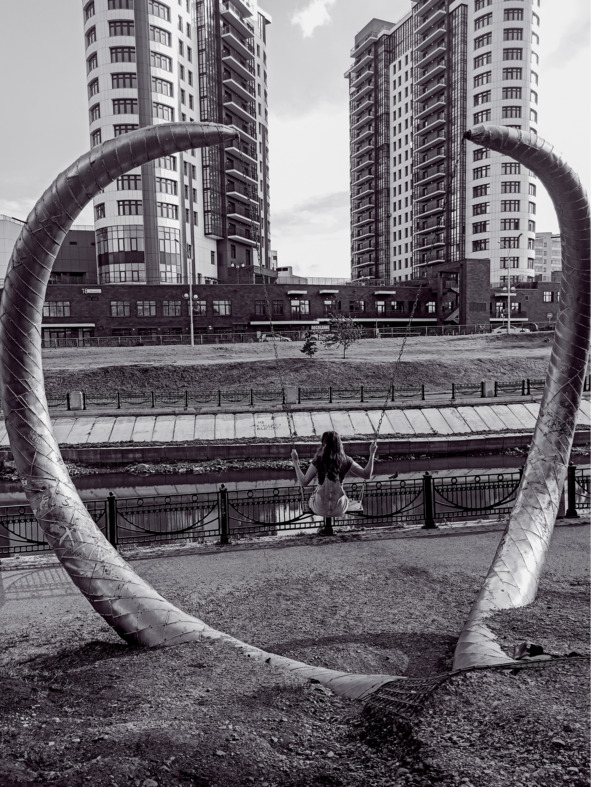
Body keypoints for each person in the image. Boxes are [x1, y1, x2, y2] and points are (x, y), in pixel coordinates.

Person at [291, 431, 377, 518]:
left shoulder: (318, 460)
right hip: (339, 509)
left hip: (320, 508)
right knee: (345, 498)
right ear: (339, 444)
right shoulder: (345, 460)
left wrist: (295, 462)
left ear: (323, 444)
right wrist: (372, 454)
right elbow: (366, 474)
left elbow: (304, 482)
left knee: (313, 497)